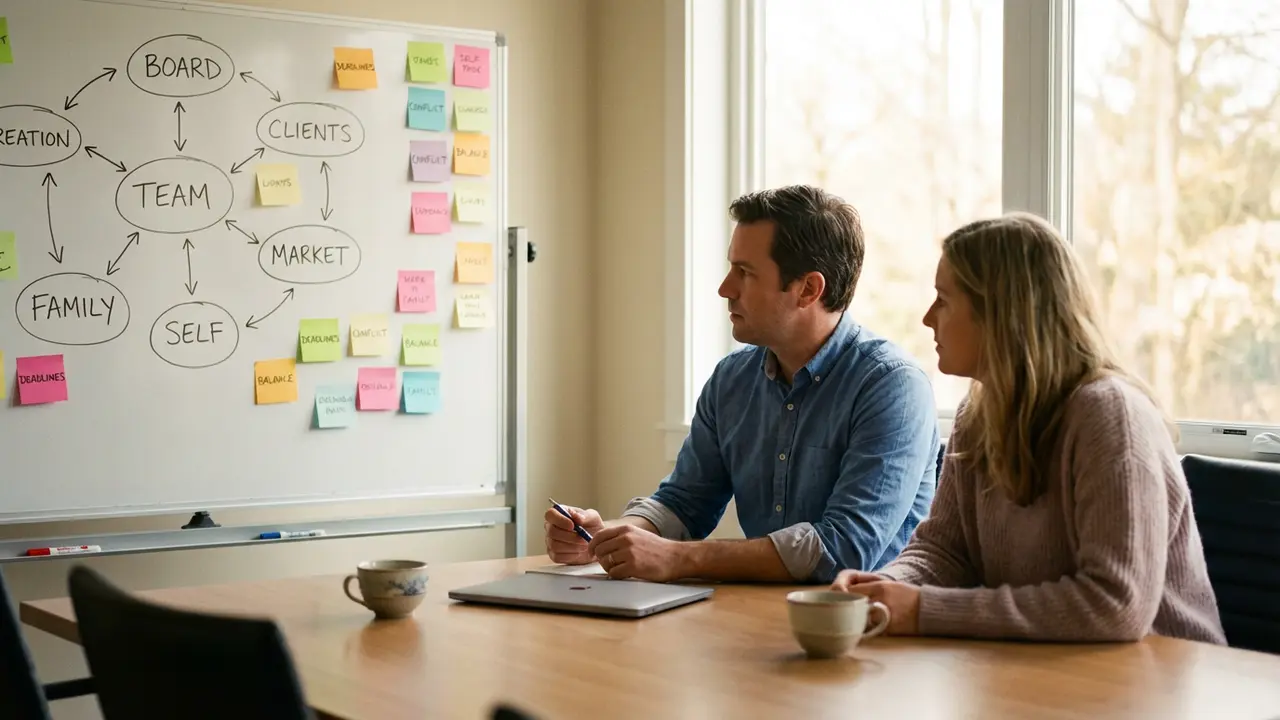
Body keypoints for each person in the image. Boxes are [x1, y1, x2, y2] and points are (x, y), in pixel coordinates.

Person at [831, 212, 1226, 644]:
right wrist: (882, 592)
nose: (928, 318)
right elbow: (944, 552)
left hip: (1165, 686)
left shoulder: (1111, 416)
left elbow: (1116, 605)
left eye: (943, 299)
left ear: (1000, 314)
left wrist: (923, 610)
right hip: (1051, 674)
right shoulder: (978, 415)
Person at [546, 185, 940, 584]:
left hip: (866, 627)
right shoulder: (732, 379)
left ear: (808, 289)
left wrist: (679, 558)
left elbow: (843, 549)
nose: (725, 288)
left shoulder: (892, 387)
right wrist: (611, 537)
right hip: (756, 616)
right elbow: (685, 503)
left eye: (745, 273)